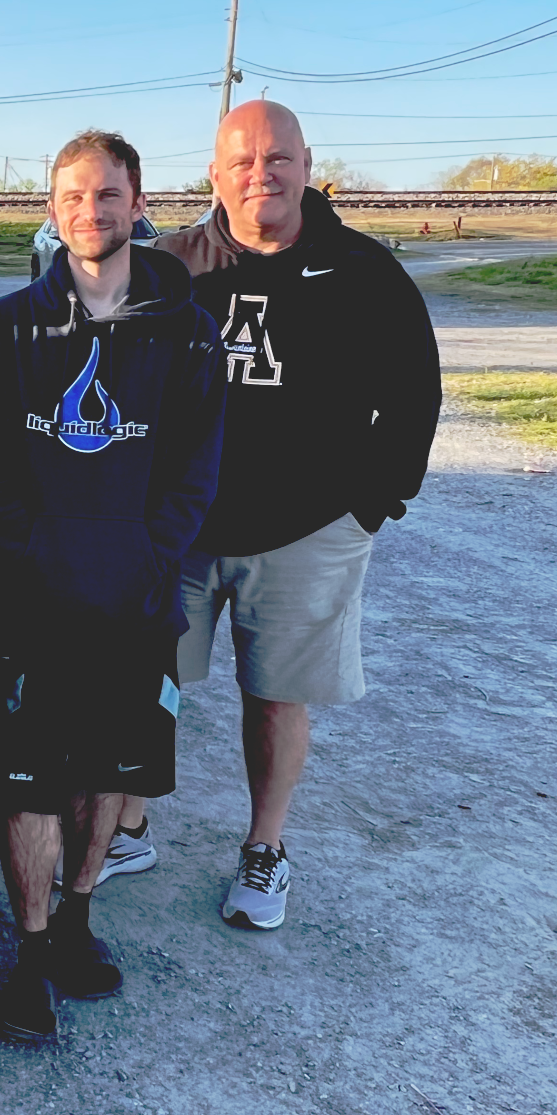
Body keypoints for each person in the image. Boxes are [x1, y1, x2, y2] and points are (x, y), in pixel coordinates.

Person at [0, 131, 223, 1041]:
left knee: (105, 771)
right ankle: (25, 959)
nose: (90, 212)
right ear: (51, 209)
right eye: (72, 197)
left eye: (108, 196)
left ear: (139, 203)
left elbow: (196, 470)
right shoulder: (9, 325)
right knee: (27, 783)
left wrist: (149, 555)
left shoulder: (187, 333)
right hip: (32, 602)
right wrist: (29, 554)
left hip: (135, 601)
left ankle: (76, 920)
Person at [144, 100, 440, 929]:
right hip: (184, 529)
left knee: (275, 696)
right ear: (215, 174)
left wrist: (375, 504)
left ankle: (265, 848)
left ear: (309, 166)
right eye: (241, 162)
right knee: (150, 675)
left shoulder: (363, 269)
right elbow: (85, 333)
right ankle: (128, 824)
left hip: (308, 529)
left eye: (277, 159)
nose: (260, 176)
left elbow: (415, 391)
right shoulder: (171, 265)